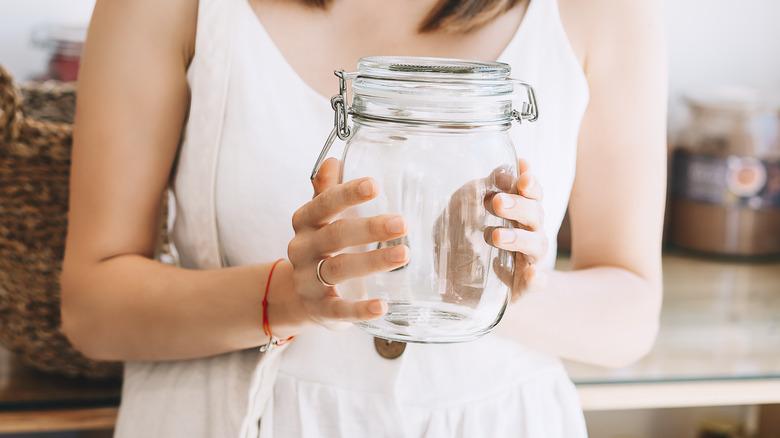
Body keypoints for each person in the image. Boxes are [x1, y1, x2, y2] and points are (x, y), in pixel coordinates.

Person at [61, 0, 667, 436]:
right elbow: (92, 310)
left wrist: (498, 285)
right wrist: (287, 296)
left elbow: (630, 317)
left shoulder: (607, 12)